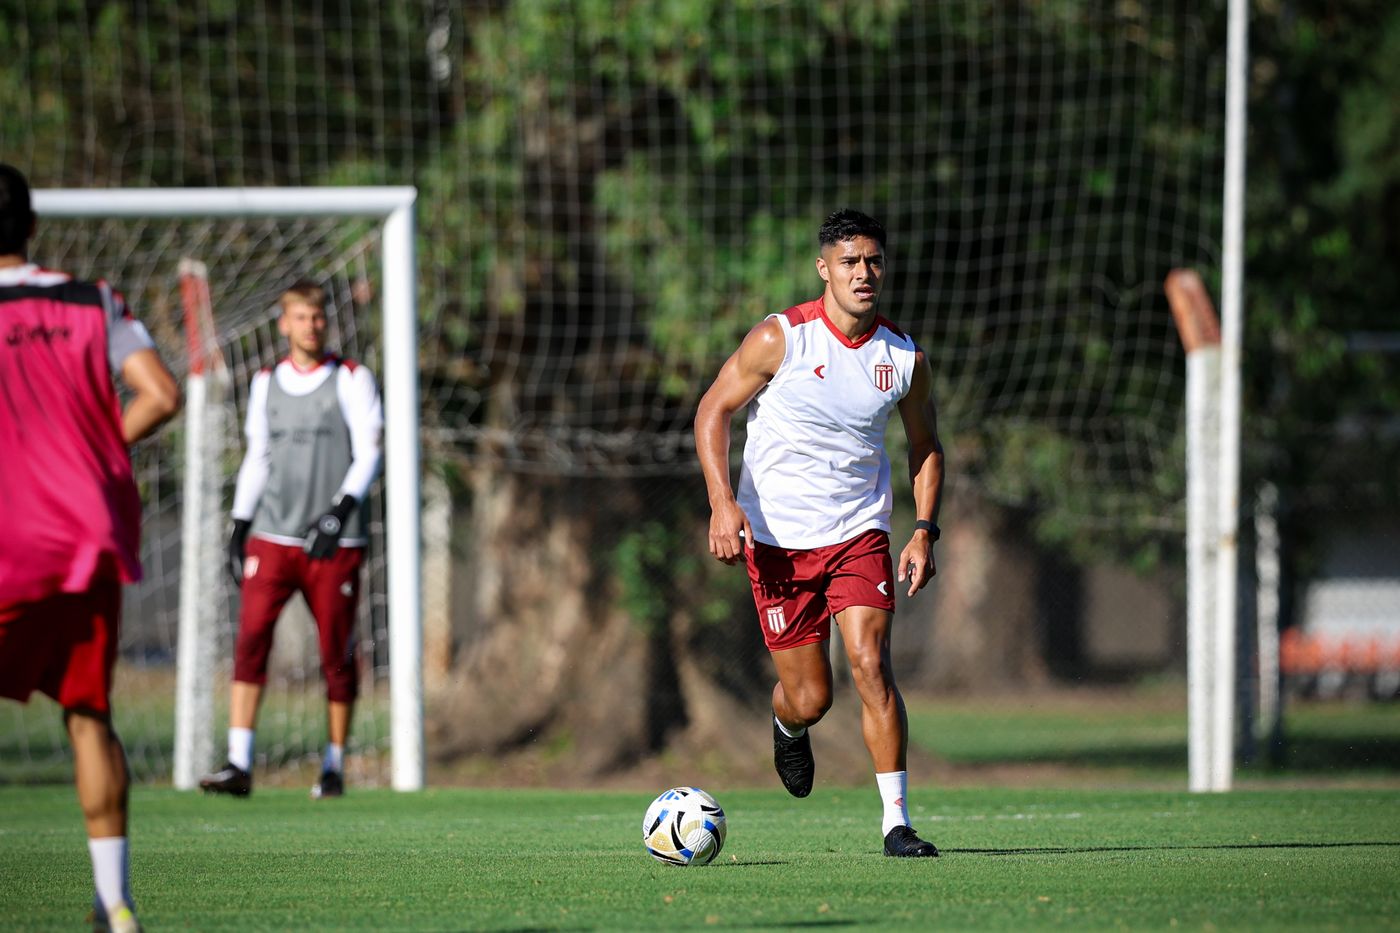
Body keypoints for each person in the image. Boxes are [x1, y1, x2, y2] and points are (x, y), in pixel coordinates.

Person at [695, 208, 945, 857]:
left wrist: (923, 529)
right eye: (851, 262)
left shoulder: (904, 355)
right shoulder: (782, 339)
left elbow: (925, 445)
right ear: (824, 268)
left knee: (871, 662)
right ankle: (787, 723)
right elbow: (712, 410)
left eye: (874, 261)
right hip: (779, 541)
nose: (865, 273)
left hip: (859, 532)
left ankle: (897, 822)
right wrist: (723, 503)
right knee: (811, 696)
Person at [0, 164, 182, 932]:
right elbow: (161, 393)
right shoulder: (95, 298)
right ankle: (116, 904)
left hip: (8, 531)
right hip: (87, 532)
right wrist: (97, 452)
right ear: (33, 227)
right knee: (88, 713)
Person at [199, 280, 383, 799]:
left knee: (336, 654)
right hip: (273, 536)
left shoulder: (350, 378)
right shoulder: (264, 382)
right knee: (251, 640)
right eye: (300, 317)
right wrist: (240, 525)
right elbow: (258, 456)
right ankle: (238, 763)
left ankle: (334, 764)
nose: (310, 325)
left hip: (335, 540)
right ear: (284, 323)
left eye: (317, 317)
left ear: (327, 321)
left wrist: (339, 511)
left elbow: (370, 451)